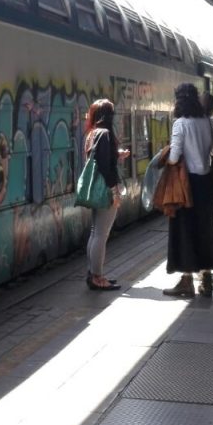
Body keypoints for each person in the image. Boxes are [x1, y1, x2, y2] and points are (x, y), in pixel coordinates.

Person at [163, 83, 213, 297]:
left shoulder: (180, 123)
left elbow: (174, 156)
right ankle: (206, 279)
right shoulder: (206, 121)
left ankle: (187, 280)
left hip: (186, 184)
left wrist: (166, 157)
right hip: (205, 182)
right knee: (205, 230)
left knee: (185, 231)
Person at [82, 99, 127, 291]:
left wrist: (116, 154)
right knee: (101, 233)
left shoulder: (91, 133)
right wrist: (113, 190)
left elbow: (98, 157)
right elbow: (104, 165)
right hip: (104, 189)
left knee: (95, 232)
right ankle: (98, 278)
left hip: (94, 189)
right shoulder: (106, 133)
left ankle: (93, 273)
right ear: (108, 116)